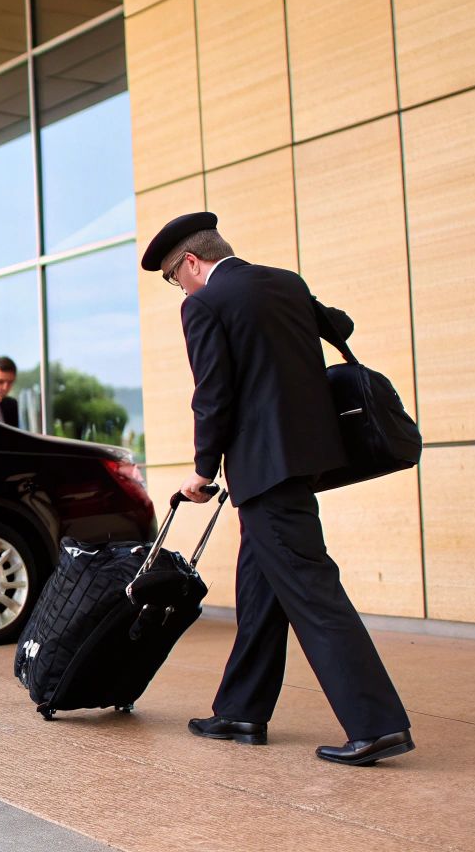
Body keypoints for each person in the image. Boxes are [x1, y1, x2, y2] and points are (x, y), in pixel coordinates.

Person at [142, 211, 413, 767]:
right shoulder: (285, 282)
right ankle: (241, 709)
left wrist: (202, 470)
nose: (179, 287)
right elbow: (341, 325)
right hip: (305, 461)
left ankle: (376, 723)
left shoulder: (205, 304)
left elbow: (213, 394)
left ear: (191, 262)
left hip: (263, 471)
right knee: (260, 587)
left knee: (313, 591)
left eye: (174, 276)